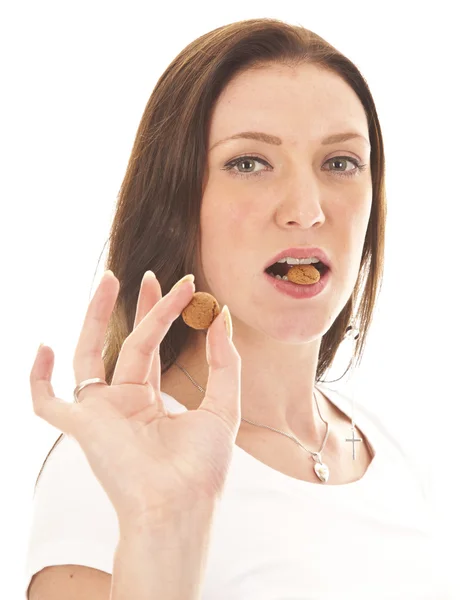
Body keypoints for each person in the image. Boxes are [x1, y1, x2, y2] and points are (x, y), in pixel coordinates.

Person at [25, 17, 454, 600]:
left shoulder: (385, 451)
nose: (306, 209)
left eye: (340, 162)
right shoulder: (110, 470)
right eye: (249, 163)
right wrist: (162, 530)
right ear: (176, 201)